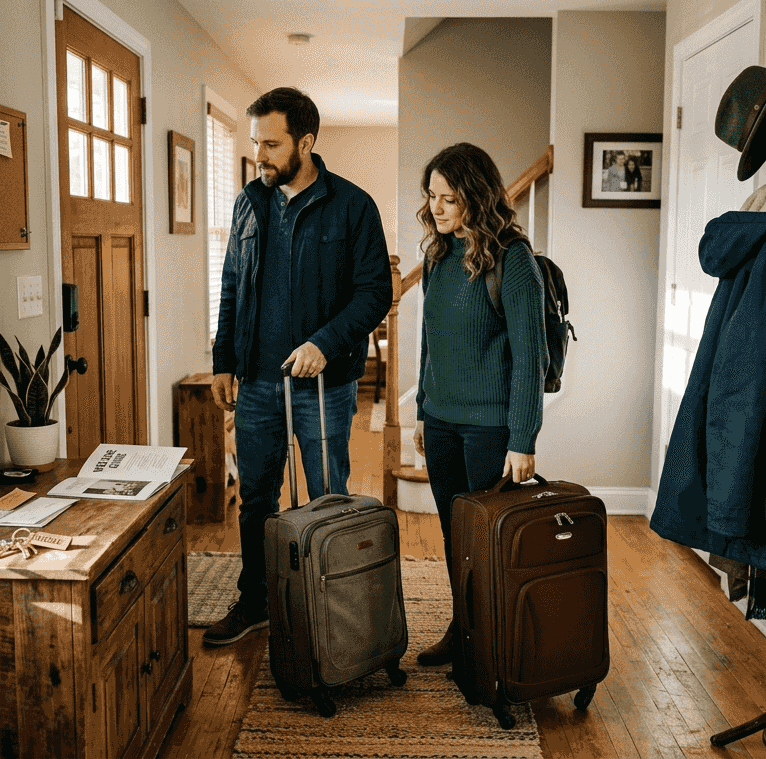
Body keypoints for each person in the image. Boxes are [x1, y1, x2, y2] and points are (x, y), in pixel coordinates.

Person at [205, 87, 392, 646]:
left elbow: (374, 293)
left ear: (305, 143)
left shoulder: (354, 207)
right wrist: (223, 360)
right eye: (255, 141)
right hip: (258, 383)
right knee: (257, 497)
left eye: (271, 143)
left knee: (326, 497)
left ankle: (333, 610)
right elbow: (232, 282)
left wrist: (325, 343)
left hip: (325, 387)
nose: (259, 154)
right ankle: (256, 601)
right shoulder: (248, 202)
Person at [411, 142, 547, 666]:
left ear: (477, 196)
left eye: (449, 198)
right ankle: (464, 629)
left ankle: (497, 644)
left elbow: (529, 359)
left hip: (490, 432)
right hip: (442, 422)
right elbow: (430, 341)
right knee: (453, 533)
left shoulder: (513, 261)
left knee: (490, 542)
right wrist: (423, 409)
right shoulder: (436, 256)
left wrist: (523, 439)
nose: (437, 208)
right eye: (432, 197)